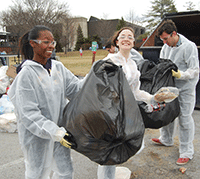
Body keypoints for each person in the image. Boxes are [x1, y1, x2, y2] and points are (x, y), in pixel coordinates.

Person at [8, 25, 84, 179]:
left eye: (53, 42)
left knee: (65, 172)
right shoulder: (26, 74)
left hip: (60, 131)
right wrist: (56, 132)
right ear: (33, 44)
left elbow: (76, 89)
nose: (51, 46)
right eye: (46, 42)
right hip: (37, 138)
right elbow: (29, 114)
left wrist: (96, 74)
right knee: (37, 174)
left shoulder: (58, 68)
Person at [98, 27, 167, 179]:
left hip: (127, 112)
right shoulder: (109, 61)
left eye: (130, 36)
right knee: (109, 152)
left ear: (133, 42)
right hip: (111, 113)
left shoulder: (133, 65)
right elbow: (98, 87)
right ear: (117, 41)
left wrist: (152, 98)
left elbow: (135, 91)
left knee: (129, 146)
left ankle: (109, 174)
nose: (126, 39)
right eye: (123, 36)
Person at [151, 19, 199, 165]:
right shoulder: (166, 47)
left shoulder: (189, 47)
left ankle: (186, 152)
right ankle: (166, 139)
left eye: (166, 38)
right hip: (170, 85)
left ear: (174, 34)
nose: (164, 42)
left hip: (185, 87)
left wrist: (180, 75)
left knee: (184, 118)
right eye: (162, 40)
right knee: (167, 112)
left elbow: (195, 70)